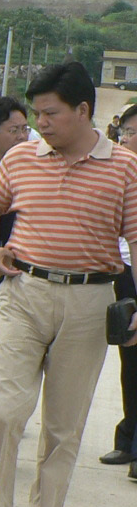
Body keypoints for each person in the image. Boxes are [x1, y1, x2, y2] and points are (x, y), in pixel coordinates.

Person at [0, 62, 137, 507]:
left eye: (50, 113)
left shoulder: (125, 167)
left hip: (89, 301)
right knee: (3, 412)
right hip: (24, 293)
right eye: (36, 113)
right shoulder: (21, 158)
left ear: (83, 110)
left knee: (64, 426)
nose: (39, 123)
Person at [101, 103, 137, 472]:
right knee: (130, 357)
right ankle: (127, 440)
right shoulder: (117, 173)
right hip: (126, 274)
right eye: (124, 132)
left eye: (133, 133)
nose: (125, 139)